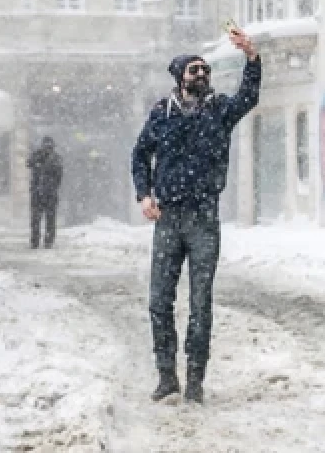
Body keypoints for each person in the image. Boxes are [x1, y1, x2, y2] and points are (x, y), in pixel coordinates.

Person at [131, 28, 260, 404]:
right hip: (168, 218)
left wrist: (252, 58)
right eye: (194, 72)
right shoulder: (162, 114)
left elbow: (249, 96)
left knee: (201, 302)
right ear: (179, 78)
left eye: (205, 70)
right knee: (159, 300)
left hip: (204, 217)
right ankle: (166, 375)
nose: (202, 76)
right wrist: (144, 194)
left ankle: (195, 380)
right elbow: (139, 155)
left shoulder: (220, 110)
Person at [26, 136, 64, 249]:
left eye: (49, 147)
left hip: (47, 193)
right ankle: (36, 241)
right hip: (39, 193)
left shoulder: (56, 158)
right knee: (37, 219)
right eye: (46, 146)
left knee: (48, 219)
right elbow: (29, 163)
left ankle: (47, 241)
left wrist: (52, 187)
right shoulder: (38, 156)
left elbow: (59, 176)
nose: (47, 149)